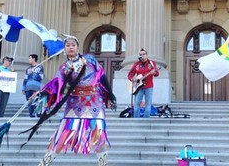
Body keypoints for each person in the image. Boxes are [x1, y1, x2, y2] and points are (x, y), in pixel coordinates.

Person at [24, 35, 116, 166]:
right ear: (64, 49)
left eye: (73, 45)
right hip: (74, 103)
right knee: (62, 135)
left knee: (98, 135)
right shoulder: (64, 68)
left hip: (94, 101)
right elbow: (56, 85)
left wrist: (110, 93)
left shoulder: (90, 59)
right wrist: (44, 93)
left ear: (78, 47)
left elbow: (102, 76)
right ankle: (44, 163)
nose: (71, 47)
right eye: (68, 45)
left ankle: (103, 164)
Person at [128, 48, 159, 118]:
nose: (142, 55)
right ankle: (136, 121)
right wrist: (132, 79)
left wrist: (154, 73)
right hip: (138, 87)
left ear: (146, 55)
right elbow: (130, 73)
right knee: (136, 104)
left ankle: (146, 121)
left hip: (149, 86)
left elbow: (157, 74)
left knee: (148, 105)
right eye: (140, 54)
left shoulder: (151, 63)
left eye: (143, 54)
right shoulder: (136, 64)